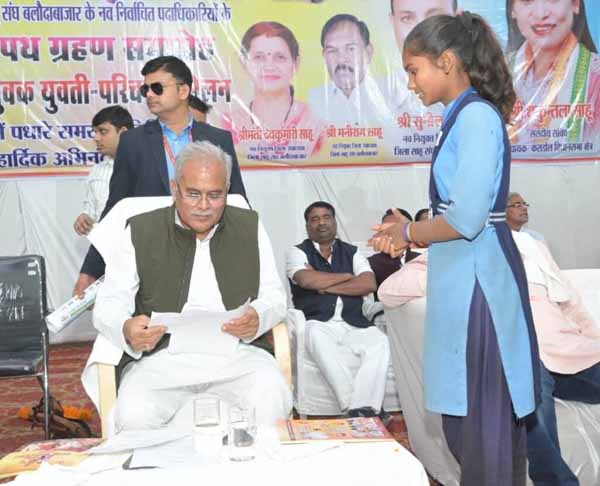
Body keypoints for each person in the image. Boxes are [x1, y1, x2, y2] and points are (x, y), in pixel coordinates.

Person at [370, 12, 541, 485]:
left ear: (446, 62)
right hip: (463, 282)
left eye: (413, 70)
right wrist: (408, 227)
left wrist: (410, 233)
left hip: (481, 287)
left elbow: (466, 219)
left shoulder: (477, 117)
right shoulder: (463, 117)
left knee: (484, 431)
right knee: (469, 428)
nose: (410, 84)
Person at [93, 141, 291, 430]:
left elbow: (274, 295)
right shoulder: (141, 230)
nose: (204, 206)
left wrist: (259, 317)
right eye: (194, 194)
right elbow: (108, 303)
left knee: (271, 394)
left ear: (227, 190)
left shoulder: (249, 226)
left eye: (215, 195)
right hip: (163, 358)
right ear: (175, 189)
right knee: (133, 411)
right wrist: (126, 327)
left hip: (237, 355)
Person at [74, 56, 247, 297]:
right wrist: (90, 271)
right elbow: (114, 209)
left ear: (183, 90)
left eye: (157, 87)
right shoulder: (133, 142)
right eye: (145, 89)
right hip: (152, 260)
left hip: (209, 255)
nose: (149, 94)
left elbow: (237, 201)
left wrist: (249, 257)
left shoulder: (218, 139)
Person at [512, 228, 600, 486]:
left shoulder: (532, 246)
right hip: (523, 356)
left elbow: (572, 303)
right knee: (533, 399)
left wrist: (594, 340)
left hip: (569, 352)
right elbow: (401, 286)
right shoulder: (460, 246)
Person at [286, 201, 389, 418]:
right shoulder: (296, 252)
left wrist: (324, 285)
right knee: (313, 334)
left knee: (380, 342)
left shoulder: (352, 252)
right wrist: (348, 276)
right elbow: (305, 280)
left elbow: (368, 284)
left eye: (326, 217)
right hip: (319, 322)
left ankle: (364, 405)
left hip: (354, 321)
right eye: (314, 219)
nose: (321, 223)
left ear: (334, 222)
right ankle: (353, 405)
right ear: (307, 226)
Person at [222, 21, 326, 162]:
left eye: (279, 57)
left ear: (295, 63)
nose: (269, 66)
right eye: (259, 57)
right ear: (243, 63)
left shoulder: (315, 122)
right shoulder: (229, 124)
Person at [507, 0, 600, 146]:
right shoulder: (499, 75)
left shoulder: (595, 77)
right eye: (527, 1)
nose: (541, 14)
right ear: (512, 10)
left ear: (575, 4)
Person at [309, 14, 392, 127]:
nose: (341, 59)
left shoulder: (389, 95)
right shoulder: (314, 99)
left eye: (351, 49)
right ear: (324, 56)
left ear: (368, 52)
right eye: (332, 51)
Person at [73, 106, 134, 237]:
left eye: (103, 131)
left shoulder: (146, 166)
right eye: (95, 132)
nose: (96, 138)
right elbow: (91, 211)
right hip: (106, 243)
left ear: (123, 133)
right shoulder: (97, 171)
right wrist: (85, 218)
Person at [368, 208, 418, 290]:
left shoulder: (425, 257)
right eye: (385, 229)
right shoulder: (370, 264)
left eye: (395, 228)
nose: (391, 232)